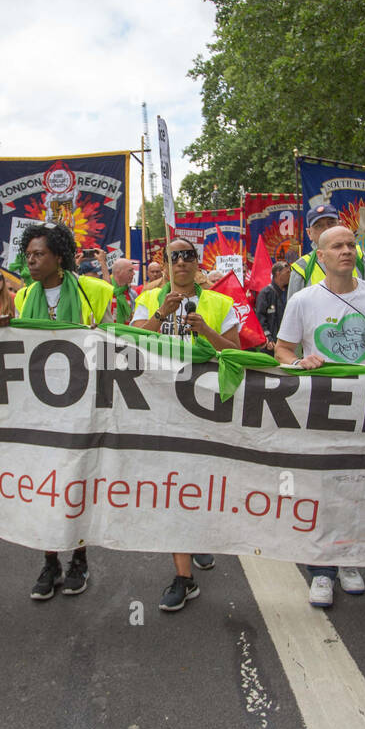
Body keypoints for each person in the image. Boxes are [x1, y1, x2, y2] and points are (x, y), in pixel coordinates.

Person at [276, 225, 365, 608]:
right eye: (337, 246)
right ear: (321, 255)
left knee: (358, 482)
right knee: (323, 484)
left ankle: (350, 561)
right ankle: (321, 569)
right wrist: (301, 360)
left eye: (351, 245)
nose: (347, 251)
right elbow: (282, 350)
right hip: (321, 404)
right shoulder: (303, 300)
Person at [133, 237, 241, 610]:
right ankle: (183, 577)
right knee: (169, 489)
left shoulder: (220, 303)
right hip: (159, 406)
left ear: (197, 263)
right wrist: (162, 313)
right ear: (164, 263)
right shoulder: (147, 299)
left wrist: (205, 332)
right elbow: (131, 345)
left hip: (205, 409)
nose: (181, 262)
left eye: (188, 256)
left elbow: (238, 355)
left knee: (201, 484)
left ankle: (198, 538)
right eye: (174, 257)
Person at [13, 222, 114, 601]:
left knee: (77, 483)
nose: (32, 261)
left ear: (59, 257)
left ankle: (79, 560)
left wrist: (97, 333)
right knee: (45, 487)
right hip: (40, 409)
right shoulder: (23, 296)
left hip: (83, 404)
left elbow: (115, 340)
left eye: (39, 255)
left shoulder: (95, 291)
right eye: (28, 256)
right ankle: (50, 561)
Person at [254, 262, 291, 354]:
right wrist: (268, 337)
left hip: (288, 342)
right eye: (287, 272)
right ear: (278, 273)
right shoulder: (265, 293)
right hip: (271, 344)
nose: (290, 275)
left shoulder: (291, 292)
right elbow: (260, 318)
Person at [110, 258, 139, 325]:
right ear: (118, 272)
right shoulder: (106, 291)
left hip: (126, 334)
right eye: (130, 271)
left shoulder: (133, 294)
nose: (134, 273)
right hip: (106, 333)